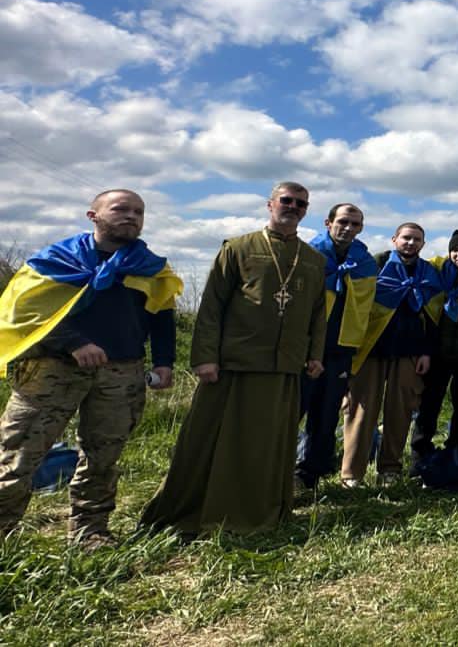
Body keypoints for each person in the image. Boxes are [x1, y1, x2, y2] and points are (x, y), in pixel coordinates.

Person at [141, 181, 326, 534]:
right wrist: (205, 357)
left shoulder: (314, 260)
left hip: (284, 366)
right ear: (270, 204)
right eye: (286, 201)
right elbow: (211, 306)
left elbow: (319, 313)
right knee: (213, 440)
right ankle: (205, 509)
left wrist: (314, 355)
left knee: (269, 445)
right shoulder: (239, 248)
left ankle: (262, 509)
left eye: (301, 204)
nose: (293, 207)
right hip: (234, 364)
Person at [0, 190, 181, 547]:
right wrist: (74, 343)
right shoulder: (53, 261)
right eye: (120, 209)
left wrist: (164, 363)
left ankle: (90, 531)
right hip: (53, 369)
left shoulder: (150, 267)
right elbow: (24, 312)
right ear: (93, 215)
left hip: (122, 372)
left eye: (138, 211)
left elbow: (162, 317)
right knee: (18, 455)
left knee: (103, 456)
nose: (131, 216)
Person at [343, 223, 441, 488]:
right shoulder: (376, 264)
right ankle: (352, 473)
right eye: (406, 238)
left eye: (416, 239)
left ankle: (390, 469)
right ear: (394, 239)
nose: (410, 243)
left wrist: (426, 352)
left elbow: (433, 318)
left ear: (423, 244)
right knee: (361, 410)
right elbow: (356, 304)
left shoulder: (429, 273)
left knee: (400, 412)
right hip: (371, 349)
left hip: (409, 352)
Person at [297, 203, 377, 490]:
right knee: (293, 409)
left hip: (340, 349)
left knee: (327, 413)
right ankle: (277, 469)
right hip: (303, 347)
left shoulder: (365, 262)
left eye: (355, 224)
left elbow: (368, 309)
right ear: (328, 222)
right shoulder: (307, 255)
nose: (348, 228)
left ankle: (310, 476)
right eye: (343, 221)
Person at [410, 230, 458, 478]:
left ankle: (457, 452)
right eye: (455, 250)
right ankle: (419, 456)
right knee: (429, 406)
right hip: (438, 354)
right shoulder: (437, 275)